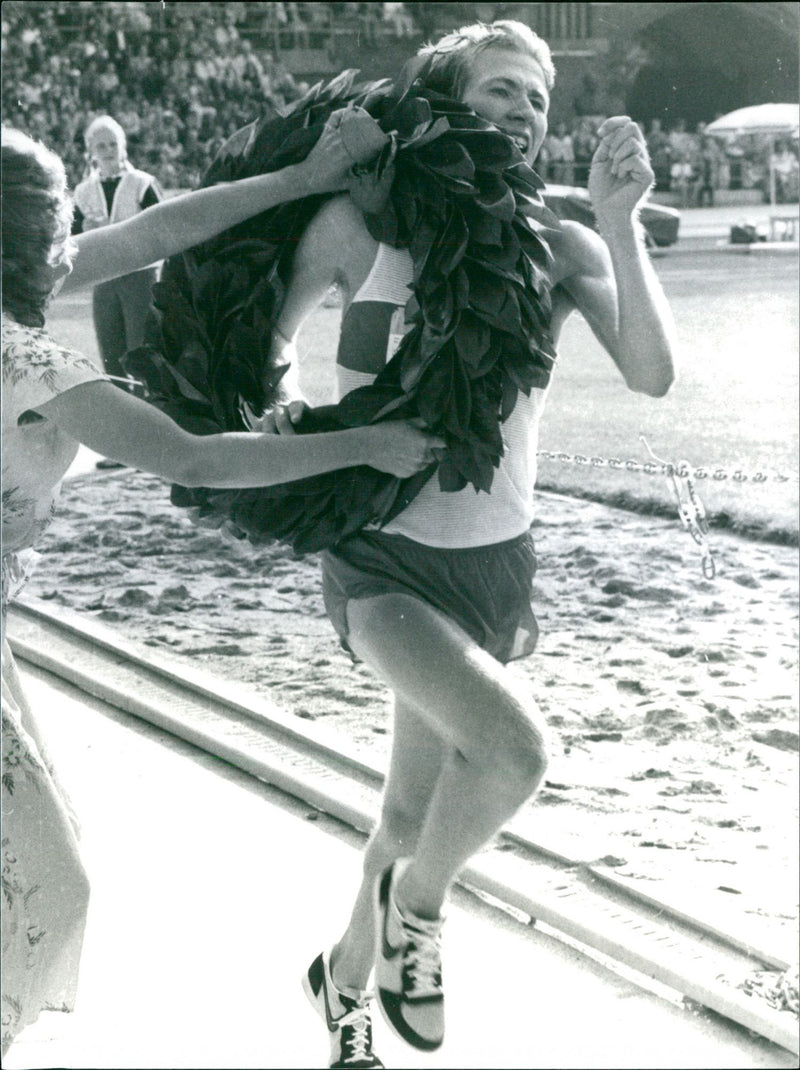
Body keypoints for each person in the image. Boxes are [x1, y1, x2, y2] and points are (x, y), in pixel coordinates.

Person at [269, 20, 675, 1068]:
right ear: (445, 95)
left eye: (535, 99)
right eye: (498, 88)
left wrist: (620, 223)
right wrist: (291, 414)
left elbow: (650, 373)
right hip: (379, 559)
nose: (520, 111)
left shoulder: (560, 247)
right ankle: (418, 913)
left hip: (493, 564)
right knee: (512, 752)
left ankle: (342, 982)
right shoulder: (361, 224)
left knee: (409, 811)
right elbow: (268, 339)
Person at [0, 121, 441, 1058]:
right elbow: (194, 458)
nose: (72, 245)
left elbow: (161, 234)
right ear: (26, 245)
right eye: (56, 232)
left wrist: (304, 176)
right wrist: (364, 442)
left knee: (34, 885)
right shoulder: (25, 359)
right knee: (47, 884)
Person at [72, 116, 162, 406]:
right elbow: (71, 240)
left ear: (123, 146)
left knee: (143, 353)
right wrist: (85, 230)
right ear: (91, 151)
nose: (108, 150)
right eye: (101, 145)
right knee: (112, 355)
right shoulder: (83, 191)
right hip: (104, 280)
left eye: (113, 143)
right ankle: (126, 428)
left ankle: (154, 424)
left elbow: (164, 231)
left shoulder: (142, 183)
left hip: (141, 277)